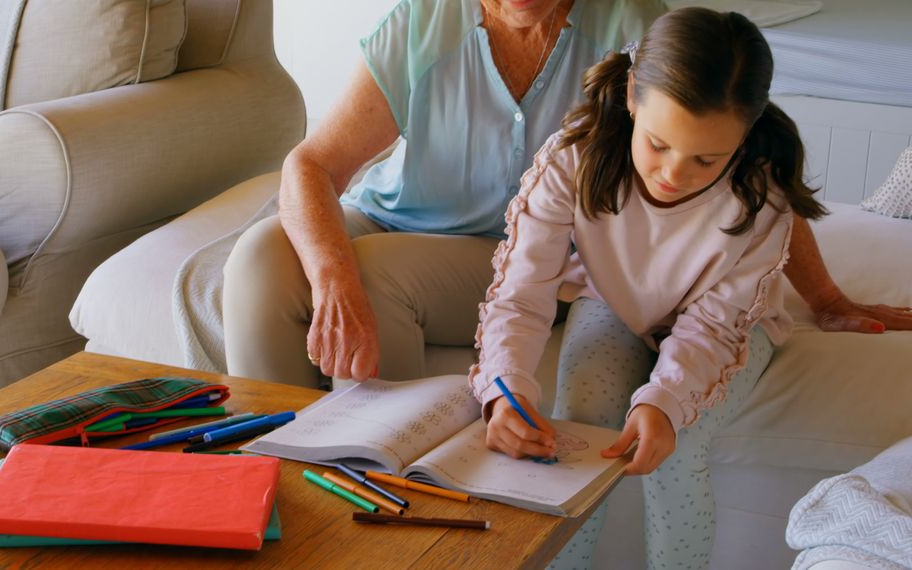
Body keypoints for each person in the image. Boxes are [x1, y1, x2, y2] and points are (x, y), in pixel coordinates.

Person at [219, 0, 912, 391]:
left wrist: (826, 299)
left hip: (524, 255)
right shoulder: (424, 22)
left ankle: (389, 471)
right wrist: (331, 280)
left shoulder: (634, 28)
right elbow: (312, 165)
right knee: (257, 262)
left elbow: (743, 168)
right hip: (395, 218)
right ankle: (294, 473)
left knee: (377, 276)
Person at [467, 7, 828, 568]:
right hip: (612, 303)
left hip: (724, 325)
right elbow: (522, 290)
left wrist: (664, 402)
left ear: (745, 136)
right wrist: (503, 388)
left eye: (707, 159)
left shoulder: (761, 198)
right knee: (580, 428)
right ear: (633, 94)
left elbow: (713, 326)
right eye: (658, 144)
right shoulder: (573, 160)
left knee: (678, 451)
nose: (674, 175)